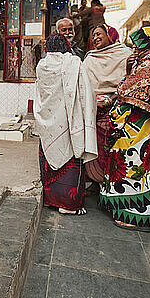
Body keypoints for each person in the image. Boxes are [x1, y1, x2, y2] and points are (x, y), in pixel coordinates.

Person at [99, 25, 150, 232]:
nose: (134, 48)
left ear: (146, 41)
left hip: (143, 130)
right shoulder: (146, 60)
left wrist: (114, 101)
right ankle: (122, 207)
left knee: (137, 169)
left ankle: (137, 216)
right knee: (128, 165)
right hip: (135, 127)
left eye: (137, 43)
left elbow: (128, 88)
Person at [34, 34, 97, 215]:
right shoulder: (74, 63)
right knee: (70, 158)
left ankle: (50, 200)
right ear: (66, 46)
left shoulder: (42, 66)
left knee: (49, 157)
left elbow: (39, 94)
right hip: (69, 123)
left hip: (49, 123)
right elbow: (86, 91)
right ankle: (68, 206)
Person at [82, 25, 132, 188]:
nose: (95, 37)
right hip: (93, 111)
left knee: (113, 150)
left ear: (110, 35)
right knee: (94, 147)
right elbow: (83, 85)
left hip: (117, 111)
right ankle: (96, 181)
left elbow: (130, 83)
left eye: (99, 34)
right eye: (93, 35)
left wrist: (112, 98)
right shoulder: (90, 58)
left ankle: (112, 185)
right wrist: (92, 100)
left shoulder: (125, 54)